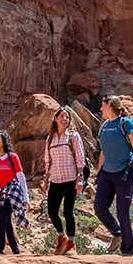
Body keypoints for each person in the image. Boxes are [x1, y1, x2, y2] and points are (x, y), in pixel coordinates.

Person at [94, 95, 133, 257]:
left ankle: (127, 251)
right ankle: (117, 233)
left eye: (102, 105)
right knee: (99, 208)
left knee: (122, 212)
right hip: (107, 173)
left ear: (109, 105)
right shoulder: (104, 127)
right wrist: (98, 173)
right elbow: (103, 152)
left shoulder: (126, 123)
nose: (101, 108)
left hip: (125, 173)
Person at [43, 106, 86, 255]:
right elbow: (48, 161)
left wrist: (80, 178)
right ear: (55, 119)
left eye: (67, 117)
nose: (65, 119)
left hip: (70, 179)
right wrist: (46, 180)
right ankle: (62, 236)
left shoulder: (73, 136)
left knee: (68, 211)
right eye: (62, 116)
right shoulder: (50, 139)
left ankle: (71, 243)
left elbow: (80, 158)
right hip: (55, 179)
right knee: (52, 211)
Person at [0, 129, 30, 255]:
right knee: (7, 225)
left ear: (4, 141)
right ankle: (16, 251)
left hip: (12, 192)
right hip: (0, 193)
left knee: (1, 221)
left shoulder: (12, 157)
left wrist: (26, 198)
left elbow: (21, 177)